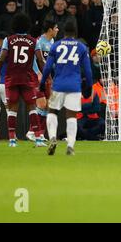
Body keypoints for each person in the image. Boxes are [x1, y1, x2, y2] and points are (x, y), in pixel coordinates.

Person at [40, 22, 93, 156]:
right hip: (74, 86)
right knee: (71, 116)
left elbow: (47, 67)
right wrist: (89, 86)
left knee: (52, 111)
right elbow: (88, 70)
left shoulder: (56, 45)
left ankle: (52, 137)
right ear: (75, 33)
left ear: (64, 33)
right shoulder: (81, 47)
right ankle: (70, 145)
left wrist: (42, 83)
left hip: (58, 85)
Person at [0, 13, 46, 148]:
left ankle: (12, 140)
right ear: (27, 25)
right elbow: (40, 60)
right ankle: (39, 139)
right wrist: (47, 76)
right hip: (27, 78)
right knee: (32, 108)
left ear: (14, 25)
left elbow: (1, 59)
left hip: (11, 78)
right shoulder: (35, 41)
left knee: (12, 109)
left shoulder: (8, 40)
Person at [26, 20, 59, 142]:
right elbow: (33, 59)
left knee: (48, 106)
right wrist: (38, 73)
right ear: (50, 29)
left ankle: (40, 133)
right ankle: (31, 131)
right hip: (37, 77)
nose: (57, 30)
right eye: (56, 28)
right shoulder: (39, 41)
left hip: (48, 77)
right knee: (42, 104)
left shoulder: (52, 41)